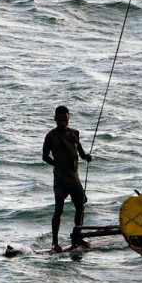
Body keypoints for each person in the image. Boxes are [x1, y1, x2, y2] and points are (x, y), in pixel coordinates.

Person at [42, 105, 91, 252]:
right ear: (55, 119)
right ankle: (54, 243)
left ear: (69, 118)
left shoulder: (74, 134)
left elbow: (81, 154)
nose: (63, 122)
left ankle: (77, 237)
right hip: (60, 179)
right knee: (59, 208)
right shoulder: (51, 136)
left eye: (66, 119)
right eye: (60, 119)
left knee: (81, 205)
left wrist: (87, 157)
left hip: (74, 178)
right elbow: (44, 157)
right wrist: (57, 164)